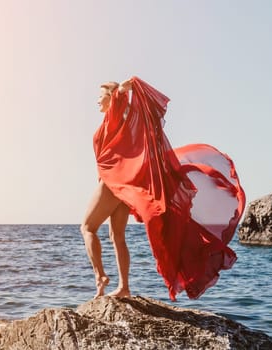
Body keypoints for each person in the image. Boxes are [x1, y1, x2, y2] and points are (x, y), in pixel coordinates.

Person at [80, 76, 245, 301]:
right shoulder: (122, 124)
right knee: (116, 235)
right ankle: (124, 287)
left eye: (100, 97)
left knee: (87, 228)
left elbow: (124, 89)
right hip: (121, 184)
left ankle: (100, 276)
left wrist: (124, 86)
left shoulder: (115, 114)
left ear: (111, 98)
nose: (96, 101)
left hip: (113, 183)